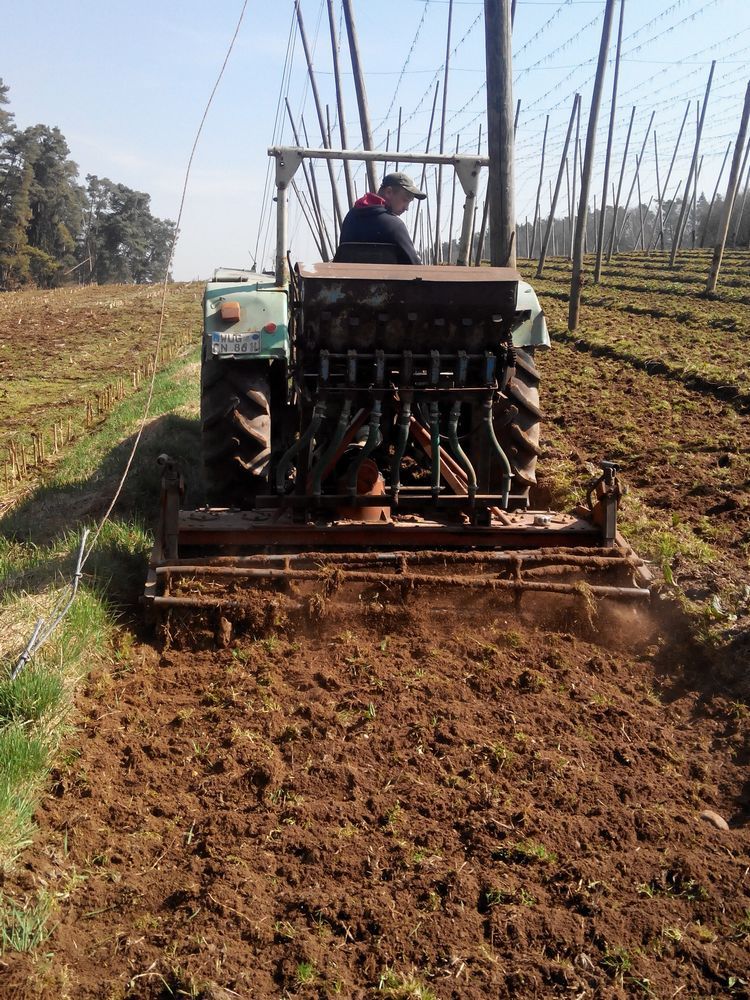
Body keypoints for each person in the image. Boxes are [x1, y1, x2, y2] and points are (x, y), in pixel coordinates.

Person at [336, 171, 426, 264]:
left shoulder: (350, 217)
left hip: (349, 278)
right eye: (405, 200)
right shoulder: (395, 226)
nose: (406, 207)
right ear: (388, 192)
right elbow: (415, 266)